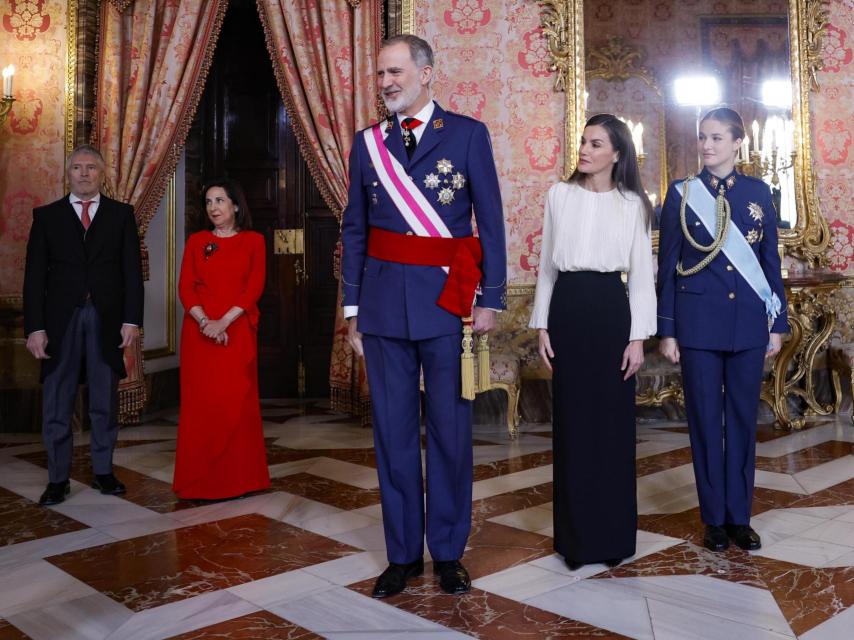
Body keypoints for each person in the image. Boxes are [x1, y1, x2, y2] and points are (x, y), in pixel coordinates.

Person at [341, 34, 507, 597]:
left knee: (450, 433)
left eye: (396, 72)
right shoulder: (367, 144)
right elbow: (356, 229)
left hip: (447, 305)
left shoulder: (465, 134)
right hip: (384, 305)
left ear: (426, 73)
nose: (387, 82)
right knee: (391, 433)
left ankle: (448, 551)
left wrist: (491, 297)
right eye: (381, 74)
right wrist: (353, 310)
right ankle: (402, 554)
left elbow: (491, 219)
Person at [657, 107, 788, 552]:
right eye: (702, 137)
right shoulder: (681, 193)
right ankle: (713, 518)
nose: (707, 145)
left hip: (749, 322)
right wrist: (668, 330)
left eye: (716, 137)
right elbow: (668, 267)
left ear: (738, 142)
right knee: (705, 423)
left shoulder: (760, 193)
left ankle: (740, 517)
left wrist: (777, 323)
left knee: (742, 421)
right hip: (697, 325)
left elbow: (771, 264)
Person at [530, 114, 656, 570]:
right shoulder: (558, 196)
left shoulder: (634, 205)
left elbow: (642, 275)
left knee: (612, 428)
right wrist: (542, 324)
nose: (583, 150)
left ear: (617, 153)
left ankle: (614, 539)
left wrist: (638, 337)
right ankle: (576, 542)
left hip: (610, 313)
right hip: (567, 309)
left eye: (595, 143)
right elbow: (546, 266)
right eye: (583, 141)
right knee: (572, 427)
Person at [24, 144, 144, 506]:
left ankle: (103, 472)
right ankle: (58, 479)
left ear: (102, 173)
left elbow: (131, 274)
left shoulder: (122, 215)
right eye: (77, 167)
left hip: (106, 319)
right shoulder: (47, 217)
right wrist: (35, 327)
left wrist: (131, 320)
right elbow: (33, 279)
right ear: (68, 173)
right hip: (60, 321)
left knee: (104, 398)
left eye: (91, 167)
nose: (84, 173)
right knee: (58, 400)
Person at [172, 179, 270, 500]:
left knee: (238, 404)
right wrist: (204, 322)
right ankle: (198, 483)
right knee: (202, 407)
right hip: (200, 335)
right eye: (209, 202)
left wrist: (223, 321)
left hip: (236, 330)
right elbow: (186, 287)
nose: (213, 207)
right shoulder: (197, 241)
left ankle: (242, 481)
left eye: (220, 201)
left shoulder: (253, 241)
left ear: (236, 206)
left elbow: (253, 287)